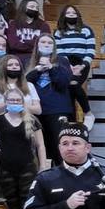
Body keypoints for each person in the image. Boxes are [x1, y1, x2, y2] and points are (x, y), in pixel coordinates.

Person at [28, 35, 74, 166]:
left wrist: (51, 67)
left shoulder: (62, 61)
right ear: (37, 45)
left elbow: (63, 83)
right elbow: (24, 84)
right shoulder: (28, 61)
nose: (46, 44)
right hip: (36, 111)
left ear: (54, 46)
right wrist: (37, 71)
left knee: (58, 146)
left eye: (50, 42)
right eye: (43, 42)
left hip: (57, 110)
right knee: (39, 148)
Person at [54, 5, 94, 127]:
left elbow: (91, 50)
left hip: (82, 63)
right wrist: (68, 67)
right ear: (63, 16)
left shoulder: (86, 30)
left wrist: (82, 66)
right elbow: (60, 51)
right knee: (69, 89)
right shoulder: (58, 32)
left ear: (77, 15)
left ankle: (88, 113)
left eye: (73, 12)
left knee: (73, 85)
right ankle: (72, 121)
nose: (71, 14)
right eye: (68, 12)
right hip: (66, 63)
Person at [5, 0, 47, 64]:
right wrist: (33, 43)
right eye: (32, 7)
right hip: (16, 58)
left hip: (36, 57)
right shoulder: (13, 24)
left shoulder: (43, 25)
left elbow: (44, 44)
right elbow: (13, 45)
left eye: (37, 8)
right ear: (23, 8)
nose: (35, 9)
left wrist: (24, 42)